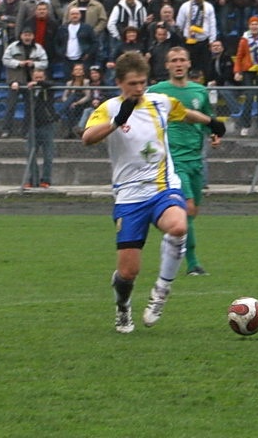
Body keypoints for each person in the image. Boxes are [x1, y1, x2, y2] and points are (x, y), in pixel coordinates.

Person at [82, 51, 226, 334]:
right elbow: (87, 138)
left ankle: (161, 292)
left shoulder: (159, 102)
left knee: (178, 226)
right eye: (132, 83)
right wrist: (114, 123)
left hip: (162, 186)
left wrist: (211, 122)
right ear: (120, 83)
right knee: (127, 273)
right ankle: (123, 308)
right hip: (129, 196)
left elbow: (184, 114)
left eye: (142, 83)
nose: (138, 89)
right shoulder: (109, 108)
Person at [148, 47, 219, 276]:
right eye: (173, 60)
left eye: (182, 60)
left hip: (196, 159)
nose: (178, 64)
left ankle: (172, 235)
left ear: (189, 64)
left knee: (193, 211)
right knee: (187, 208)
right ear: (167, 65)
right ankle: (193, 264)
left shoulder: (199, 91)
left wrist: (215, 134)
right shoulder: (157, 91)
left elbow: (208, 119)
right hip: (173, 159)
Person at [20, 68, 59, 188]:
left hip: (47, 124)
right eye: (36, 78)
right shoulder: (28, 90)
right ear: (32, 78)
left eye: (40, 78)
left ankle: (46, 180)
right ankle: (33, 180)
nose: (38, 80)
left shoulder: (48, 88)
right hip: (33, 125)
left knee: (48, 155)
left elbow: (51, 84)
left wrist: (38, 84)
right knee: (30, 154)